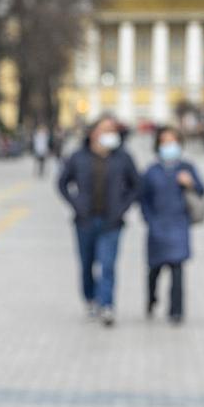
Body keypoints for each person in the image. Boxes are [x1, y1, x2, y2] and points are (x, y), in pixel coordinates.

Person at [57, 116, 141, 327]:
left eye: (112, 130)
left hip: (112, 222)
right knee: (87, 264)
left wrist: (123, 207)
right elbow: (62, 182)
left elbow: (137, 185)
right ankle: (90, 299)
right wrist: (75, 203)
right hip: (84, 221)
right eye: (104, 129)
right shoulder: (78, 156)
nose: (109, 134)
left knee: (108, 264)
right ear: (93, 132)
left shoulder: (123, 158)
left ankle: (107, 305)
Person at [140, 126, 204, 324]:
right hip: (158, 226)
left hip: (179, 224)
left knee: (178, 268)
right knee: (155, 269)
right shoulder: (152, 171)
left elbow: (202, 190)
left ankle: (176, 311)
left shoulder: (186, 168)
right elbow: (143, 198)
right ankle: (152, 299)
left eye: (173, 142)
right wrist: (149, 219)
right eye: (165, 142)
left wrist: (190, 183)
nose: (169, 146)